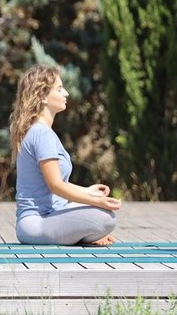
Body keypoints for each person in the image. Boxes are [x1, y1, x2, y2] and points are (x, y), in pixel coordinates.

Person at [10, 65, 119, 246]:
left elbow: (55, 185)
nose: (66, 93)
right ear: (43, 96)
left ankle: (79, 235)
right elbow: (56, 186)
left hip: (47, 217)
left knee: (98, 211)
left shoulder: (41, 131)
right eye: (59, 89)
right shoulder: (42, 134)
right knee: (106, 217)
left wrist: (88, 191)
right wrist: (97, 201)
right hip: (37, 222)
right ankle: (80, 235)